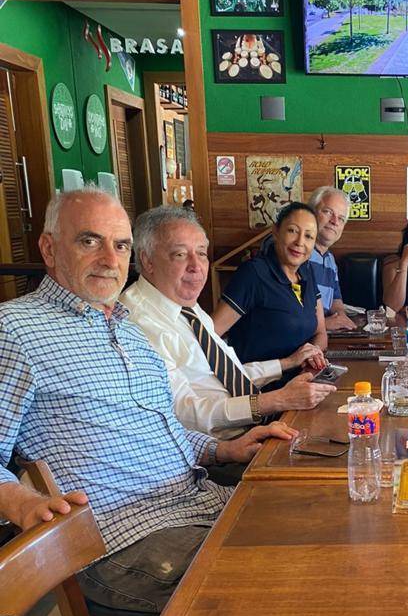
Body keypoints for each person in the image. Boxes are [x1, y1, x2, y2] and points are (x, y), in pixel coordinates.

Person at [0, 188, 296, 613]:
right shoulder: (15, 330)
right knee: (287, 589)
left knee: (317, 535)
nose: (109, 258)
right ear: (49, 248)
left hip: (198, 502)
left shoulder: (129, 329)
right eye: (89, 241)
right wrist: (24, 504)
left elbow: (164, 428)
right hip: (122, 540)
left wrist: (222, 448)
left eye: (120, 245)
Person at [125, 205, 335, 444]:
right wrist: (278, 399)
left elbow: (232, 375)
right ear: (147, 260)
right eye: (180, 254)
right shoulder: (134, 324)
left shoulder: (188, 308)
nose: (197, 266)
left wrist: (287, 363)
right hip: (220, 451)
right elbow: (185, 413)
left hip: (254, 427)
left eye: (202, 253)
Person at [212, 202, 328, 364]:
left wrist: (312, 354)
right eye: (292, 231)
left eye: (308, 236)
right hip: (260, 386)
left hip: (302, 382)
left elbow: (320, 333)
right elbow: (209, 336)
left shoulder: (306, 272)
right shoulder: (253, 274)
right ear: (276, 232)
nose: (300, 242)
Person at [307, 186, 355, 331]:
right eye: (328, 212)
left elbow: (336, 301)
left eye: (341, 218)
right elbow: (285, 319)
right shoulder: (297, 254)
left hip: (322, 337)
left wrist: (340, 317)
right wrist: (324, 325)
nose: (335, 221)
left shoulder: (330, 259)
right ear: (311, 213)